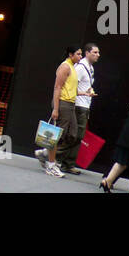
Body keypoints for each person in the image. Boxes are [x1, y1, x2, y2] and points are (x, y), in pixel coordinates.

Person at [37, 45, 82, 178]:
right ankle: (51, 165)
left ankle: (45, 153)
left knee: (73, 134)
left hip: (70, 104)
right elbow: (57, 87)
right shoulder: (65, 67)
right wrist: (56, 109)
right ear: (70, 54)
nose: (80, 56)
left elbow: (70, 88)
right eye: (78, 54)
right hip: (63, 104)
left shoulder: (73, 68)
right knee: (56, 136)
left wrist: (84, 93)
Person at [66, 42, 100, 169]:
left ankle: (68, 163)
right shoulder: (80, 67)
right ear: (87, 53)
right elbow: (72, 85)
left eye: (98, 52)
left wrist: (89, 92)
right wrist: (83, 94)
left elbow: (85, 85)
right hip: (79, 105)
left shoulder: (90, 68)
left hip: (85, 105)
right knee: (75, 135)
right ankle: (59, 159)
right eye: (95, 52)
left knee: (78, 136)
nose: (98, 55)